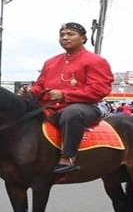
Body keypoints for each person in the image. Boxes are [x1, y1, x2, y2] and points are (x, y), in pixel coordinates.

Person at [29, 22, 114, 174]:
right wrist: (29, 92)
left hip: (89, 105)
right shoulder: (50, 62)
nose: (65, 37)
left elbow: (99, 89)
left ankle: (68, 157)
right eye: (62, 35)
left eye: (70, 34)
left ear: (83, 38)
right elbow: (40, 86)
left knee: (71, 114)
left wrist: (65, 95)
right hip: (52, 106)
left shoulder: (96, 61)